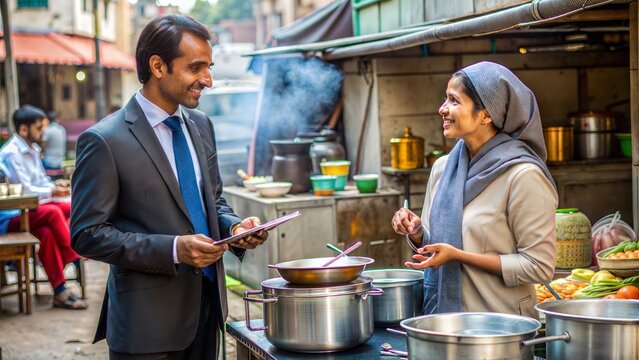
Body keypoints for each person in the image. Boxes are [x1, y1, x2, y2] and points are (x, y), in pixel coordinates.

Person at [70, 14, 268, 359]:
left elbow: (212, 201)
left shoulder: (201, 125)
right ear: (158, 66)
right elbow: (87, 234)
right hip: (147, 327)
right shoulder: (104, 140)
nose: (208, 80)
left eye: (209, 66)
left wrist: (234, 228)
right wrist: (174, 249)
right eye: (196, 67)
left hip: (209, 311)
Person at [391, 61, 557, 318]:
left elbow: (538, 267)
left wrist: (459, 256)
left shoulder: (522, 176)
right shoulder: (443, 169)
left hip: (501, 326)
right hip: (443, 323)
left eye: (454, 101)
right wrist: (415, 232)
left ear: (486, 114)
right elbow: (435, 246)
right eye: (444, 99)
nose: (442, 109)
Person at [0, 105, 86, 309]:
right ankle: (73, 255)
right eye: (39, 128)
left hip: (34, 212)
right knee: (54, 212)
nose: (43, 132)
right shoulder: (11, 154)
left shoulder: (33, 149)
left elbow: (40, 181)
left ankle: (60, 291)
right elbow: (26, 190)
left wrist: (54, 187)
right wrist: (51, 193)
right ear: (23, 129)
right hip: (13, 215)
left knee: (52, 227)